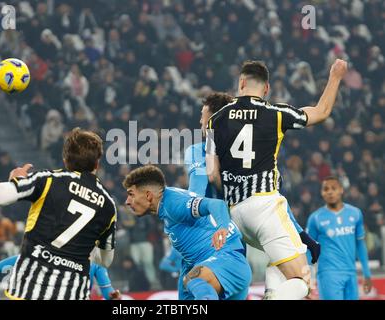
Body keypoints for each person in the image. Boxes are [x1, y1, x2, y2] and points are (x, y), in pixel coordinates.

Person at [205, 59, 348, 299]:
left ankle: (271, 293)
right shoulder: (276, 113)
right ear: (266, 89)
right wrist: (335, 76)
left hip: (235, 215)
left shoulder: (214, 121)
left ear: (241, 83)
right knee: (301, 279)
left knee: (278, 261)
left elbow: (212, 173)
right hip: (265, 206)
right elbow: (321, 112)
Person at [185, 92, 320, 299]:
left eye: (203, 115)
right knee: (293, 280)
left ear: (214, 117)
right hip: (232, 233)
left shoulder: (198, 150)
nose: (200, 121)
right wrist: (302, 234)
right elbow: (271, 200)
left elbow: (196, 192)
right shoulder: (250, 159)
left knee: (203, 289)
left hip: (214, 234)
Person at [0, 128, 117, 300]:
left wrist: (16, 179)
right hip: (73, 293)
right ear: (97, 164)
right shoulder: (108, 205)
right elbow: (105, 260)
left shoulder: (48, 180)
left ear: (65, 159)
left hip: (29, 289)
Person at [123, 165, 252, 300]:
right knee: (188, 284)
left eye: (131, 194)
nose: (127, 201)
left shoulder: (172, 203)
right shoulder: (167, 205)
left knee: (192, 279)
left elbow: (216, 204)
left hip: (226, 263)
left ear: (148, 195)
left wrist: (222, 228)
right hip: (221, 267)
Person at [306, 176, 372, 300]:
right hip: (328, 274)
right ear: (322, 192)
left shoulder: (355, 213)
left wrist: (366, 274)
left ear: (341, 190)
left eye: (333, 188)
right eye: (326, 189)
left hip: (351, 273)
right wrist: (307, 278)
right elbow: (309, 250)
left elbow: (360, 245)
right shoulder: (315, 218)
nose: (330, 192)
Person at [0, 256, 121, 300]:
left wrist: (115, 299)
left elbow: (109, 294)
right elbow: (18, 259)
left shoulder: (96, 263)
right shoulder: (58, 248)